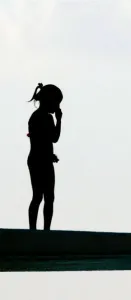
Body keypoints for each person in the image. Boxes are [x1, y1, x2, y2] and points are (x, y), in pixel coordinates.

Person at [27, 83, 63, 230]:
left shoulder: (49, 118)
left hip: (46, 160)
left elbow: (54, 138)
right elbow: (39, 141)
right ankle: (33, 230)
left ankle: (46, 230)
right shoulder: (36, 118)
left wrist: (59, 120)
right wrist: (48, 154)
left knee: (49, 197)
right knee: (38, 196)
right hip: (37, 160)